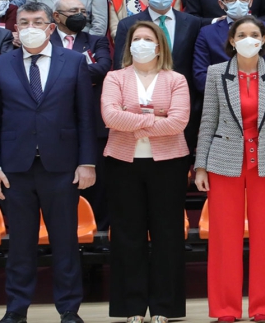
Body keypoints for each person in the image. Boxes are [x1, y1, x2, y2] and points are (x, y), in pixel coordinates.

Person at [0, 2, 96, 323]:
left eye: (38, 21)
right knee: (19, 244)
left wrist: (87, 162)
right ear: (16, 29)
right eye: (24, 22)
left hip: (61, 168)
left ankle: (69, 309)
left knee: (65, 241)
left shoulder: (73, 62)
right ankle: (16, 309)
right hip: (14, 170)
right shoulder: (1, 65)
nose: (30, 26)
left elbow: (85, 118)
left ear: (50, 27)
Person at [195, 17, 265, 323]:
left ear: (264, 40)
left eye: (254, 34)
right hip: (224, 160)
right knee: (223, 238)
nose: (247, 38)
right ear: (231, 40)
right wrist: (200, 165)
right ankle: (225, 309)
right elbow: (208, 121)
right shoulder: (217, 74)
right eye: (241, 34)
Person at [101, 21, 190, 323]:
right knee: (128, 235)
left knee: (167, 235)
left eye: (147, 39)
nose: (141, 43)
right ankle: (133, 308)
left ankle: (165, 308)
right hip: (123, 164)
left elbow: (178, 122)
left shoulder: (176, 79)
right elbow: (110, 115)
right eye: (136, 38)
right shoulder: (115, 77)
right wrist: (154, 120)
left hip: (169, 164)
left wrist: (135, 123)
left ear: (159, 45)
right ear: (128, 46)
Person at [113, 0, 202, 148]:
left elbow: (195, 63)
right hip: (140, 106)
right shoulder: (128, 25)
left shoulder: (192, 23)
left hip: (183, 105)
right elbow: (121, 66)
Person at [51, 0, 112, 228]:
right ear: (56, 16)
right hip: (56, 124)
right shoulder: (44, 41)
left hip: (93, 123)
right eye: (73, 11)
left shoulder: (96, 41)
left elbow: (102, 69)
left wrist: (59, 73)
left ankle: (99, 236)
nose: (80, 15)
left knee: (98, 186)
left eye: (83, 11)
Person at [193, 0, 265, 92]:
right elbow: (201, 75)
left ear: (250, 2)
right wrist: (231, 93)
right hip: (222, 100)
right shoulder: (207, 33)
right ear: (222, 4)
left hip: (262, 98)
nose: (238, 2)